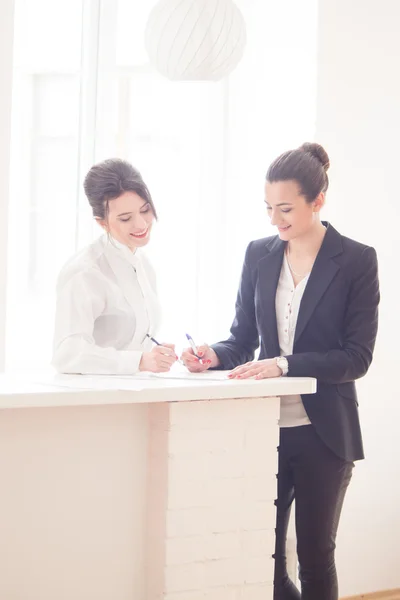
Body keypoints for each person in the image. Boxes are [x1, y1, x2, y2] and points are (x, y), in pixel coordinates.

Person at [181, 142, 380, 600]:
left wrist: (285, 364)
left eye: (286, 208)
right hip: (264, 428)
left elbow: (356, 357)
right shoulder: (259, 255)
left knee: (314, 558)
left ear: (318, 201)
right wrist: (212, 354)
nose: (275, 219)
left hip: (324, 433)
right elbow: (242, 338)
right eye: (268, 208)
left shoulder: (355, 260)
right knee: (261, 557)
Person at [52, 158, 177, 375]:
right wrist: (138, 361)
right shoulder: (85, 271)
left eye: (145, 210)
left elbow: (130, 343)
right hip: (91, 399)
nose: (141, 224)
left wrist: (156, 356)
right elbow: (67, 354)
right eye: (125, 218)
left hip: (133, 395)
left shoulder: (142, 263)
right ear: (102, 222)